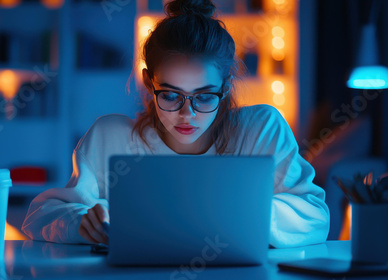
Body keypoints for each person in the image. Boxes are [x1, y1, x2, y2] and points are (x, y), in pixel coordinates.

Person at [21, 0, 330, 248]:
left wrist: (244, 214)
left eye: (205, 97)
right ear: (148, 82)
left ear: (225, 88)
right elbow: (38, 216)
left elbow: (315, 217)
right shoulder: (111, 136)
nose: (187, 114)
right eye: (170, 95)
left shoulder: (260, 130)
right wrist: (81, 222)